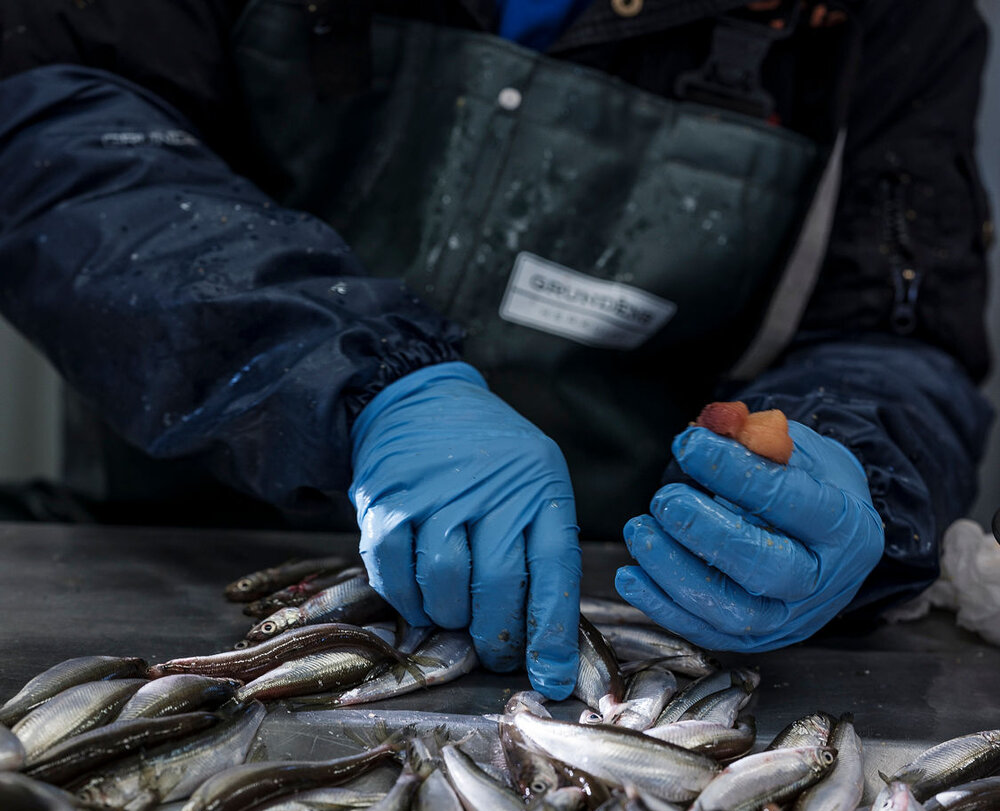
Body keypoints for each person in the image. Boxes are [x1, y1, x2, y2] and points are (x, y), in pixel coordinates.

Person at [0, 0, 992, 699]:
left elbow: (890, 332)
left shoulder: (886, 20)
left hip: (633, 609)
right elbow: (44, 125)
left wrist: (859, 475)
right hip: (182, 562)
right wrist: (359, 380)